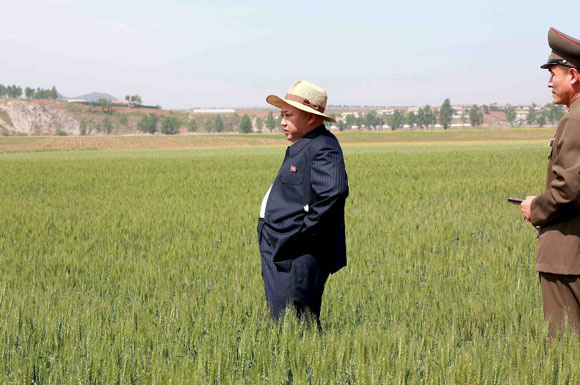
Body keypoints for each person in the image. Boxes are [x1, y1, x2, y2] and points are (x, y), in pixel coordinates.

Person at [257, 80, 349, 328]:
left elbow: (334, 193)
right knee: (283, 320)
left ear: (310, 117)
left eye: (288, 115)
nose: (282, 121)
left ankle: (304, 364)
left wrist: (297, 236)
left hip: (298, 252)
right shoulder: (305, 145)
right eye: (281, 115)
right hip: (283, 247)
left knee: (296, 323)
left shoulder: (323, 147)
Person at [521, 27, 580, 336]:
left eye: (553, 73)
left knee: (566, 353)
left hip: (568, 261)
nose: (548, 82)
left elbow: (568, 190)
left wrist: (536, 208)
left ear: (573, 75)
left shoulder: (575, 119)